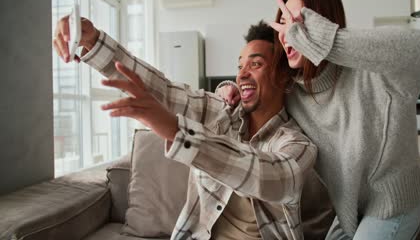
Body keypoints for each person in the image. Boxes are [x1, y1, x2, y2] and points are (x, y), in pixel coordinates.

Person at [53, 19, 318, 239]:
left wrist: (176, 131)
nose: (242, 74)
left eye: (256, 64)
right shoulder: (221, 113)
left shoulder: (298, 144)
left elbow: (269, 175)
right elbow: (163, 90)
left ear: (283, 75)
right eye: (240, 66)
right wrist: (94, 42)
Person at [217, 0, 420, 240]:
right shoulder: (293, 91)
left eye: (297, 21)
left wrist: (325, 42)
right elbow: (257, 84)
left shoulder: (376, 73)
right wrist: (230, 88)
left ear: (322, 24)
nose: (287, 32)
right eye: (283, 23)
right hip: (351, 211)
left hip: (397, 199)